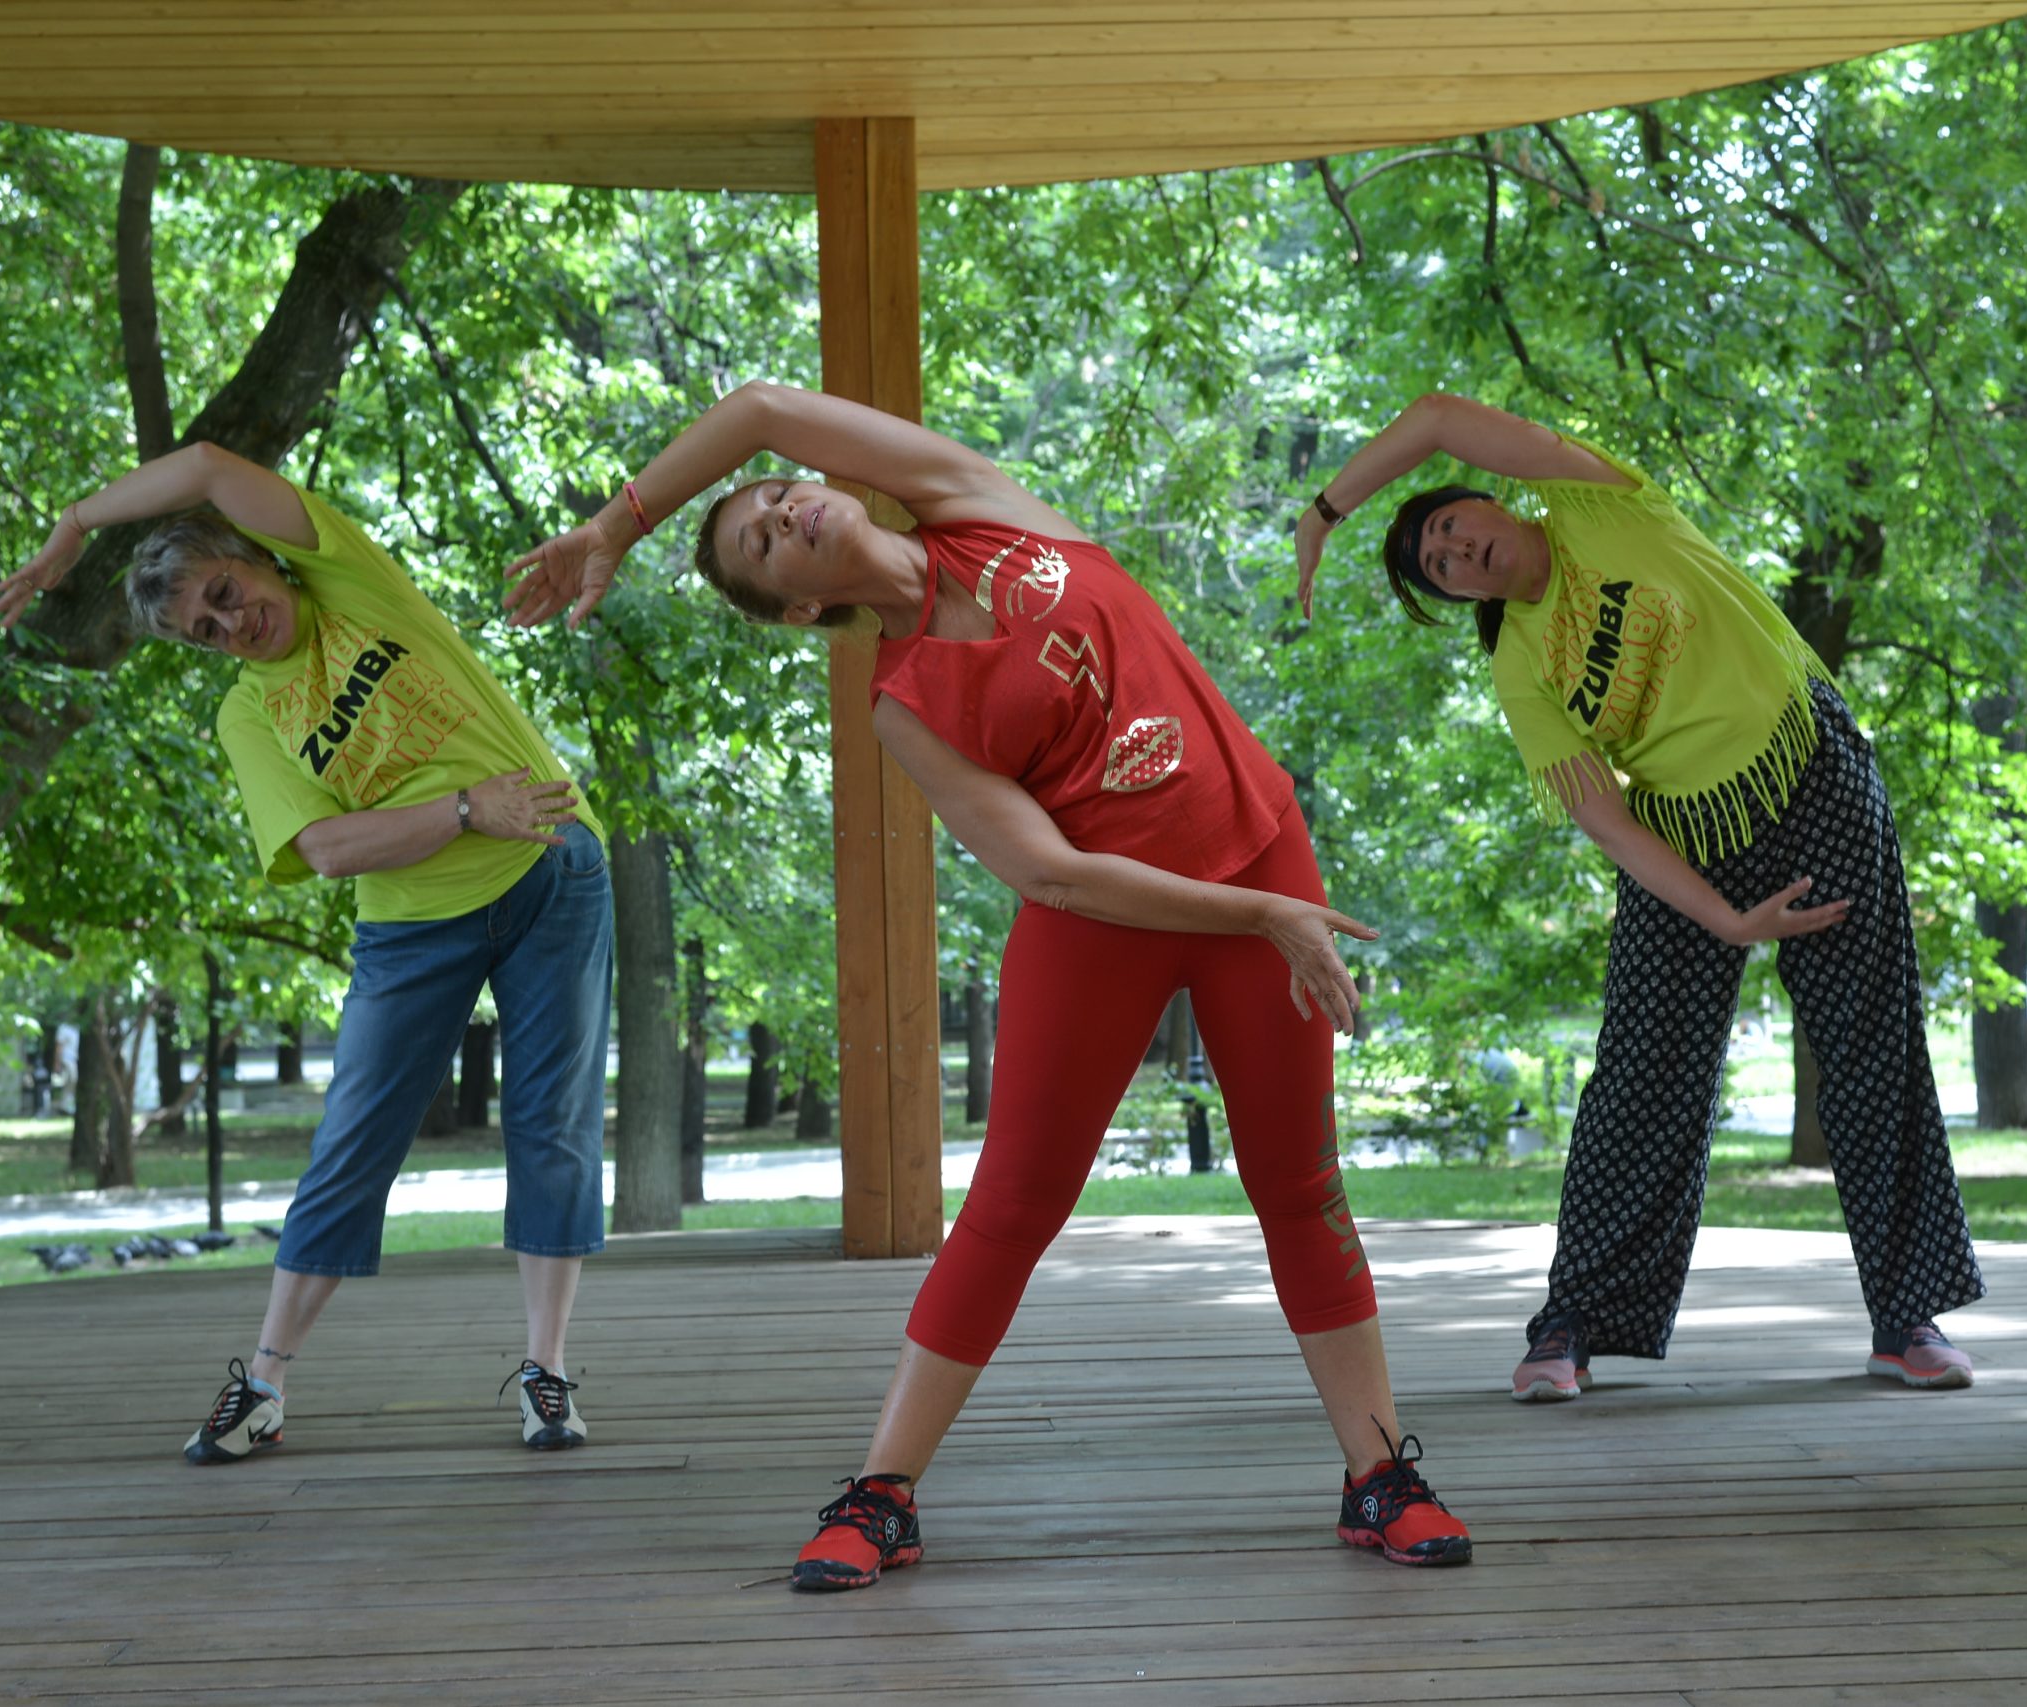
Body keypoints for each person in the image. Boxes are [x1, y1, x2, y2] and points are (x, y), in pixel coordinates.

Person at [505, 380, 1470, 1590]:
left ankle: (1377, 1475)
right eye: (758, 536)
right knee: (1012, 1204)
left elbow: (756, 406)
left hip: (1262, 851)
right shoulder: (904, 708)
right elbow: (1054, 875)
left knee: (1300, 1183)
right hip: (1114, 918)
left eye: (772, 494)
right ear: (801, 605)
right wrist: (1263, 919)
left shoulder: (976, 503)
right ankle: (883, 1493)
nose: (778, 505)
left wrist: (616, 526)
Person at [1296, 393, 1985, 1401]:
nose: (1452, 554)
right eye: (1436, 569)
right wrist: (1725, 919)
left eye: (1449, 528)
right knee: (1641, 1075)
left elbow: (1439, 416)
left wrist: (1325, 512)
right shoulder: (1521, 665)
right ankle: (1572, 1324)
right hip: (1683, 836)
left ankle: (1904, 1317)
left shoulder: (1599, 506)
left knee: (1866, 1043)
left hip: (1811, 774)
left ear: (1491, 500)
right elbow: (1605, 819)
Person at [0, 442, 613, 1464]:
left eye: (226, 591)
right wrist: (465, 809)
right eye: (206, 628)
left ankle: (546, 1375)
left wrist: (74, 525)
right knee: (350, 1144)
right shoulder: (249, 715)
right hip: (413, 925)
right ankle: (266, 1384)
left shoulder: (346, 575)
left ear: (262, 559)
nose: (233, 623)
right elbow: (325, 848)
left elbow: (201, 464)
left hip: (553, 877)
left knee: (551, 1129)